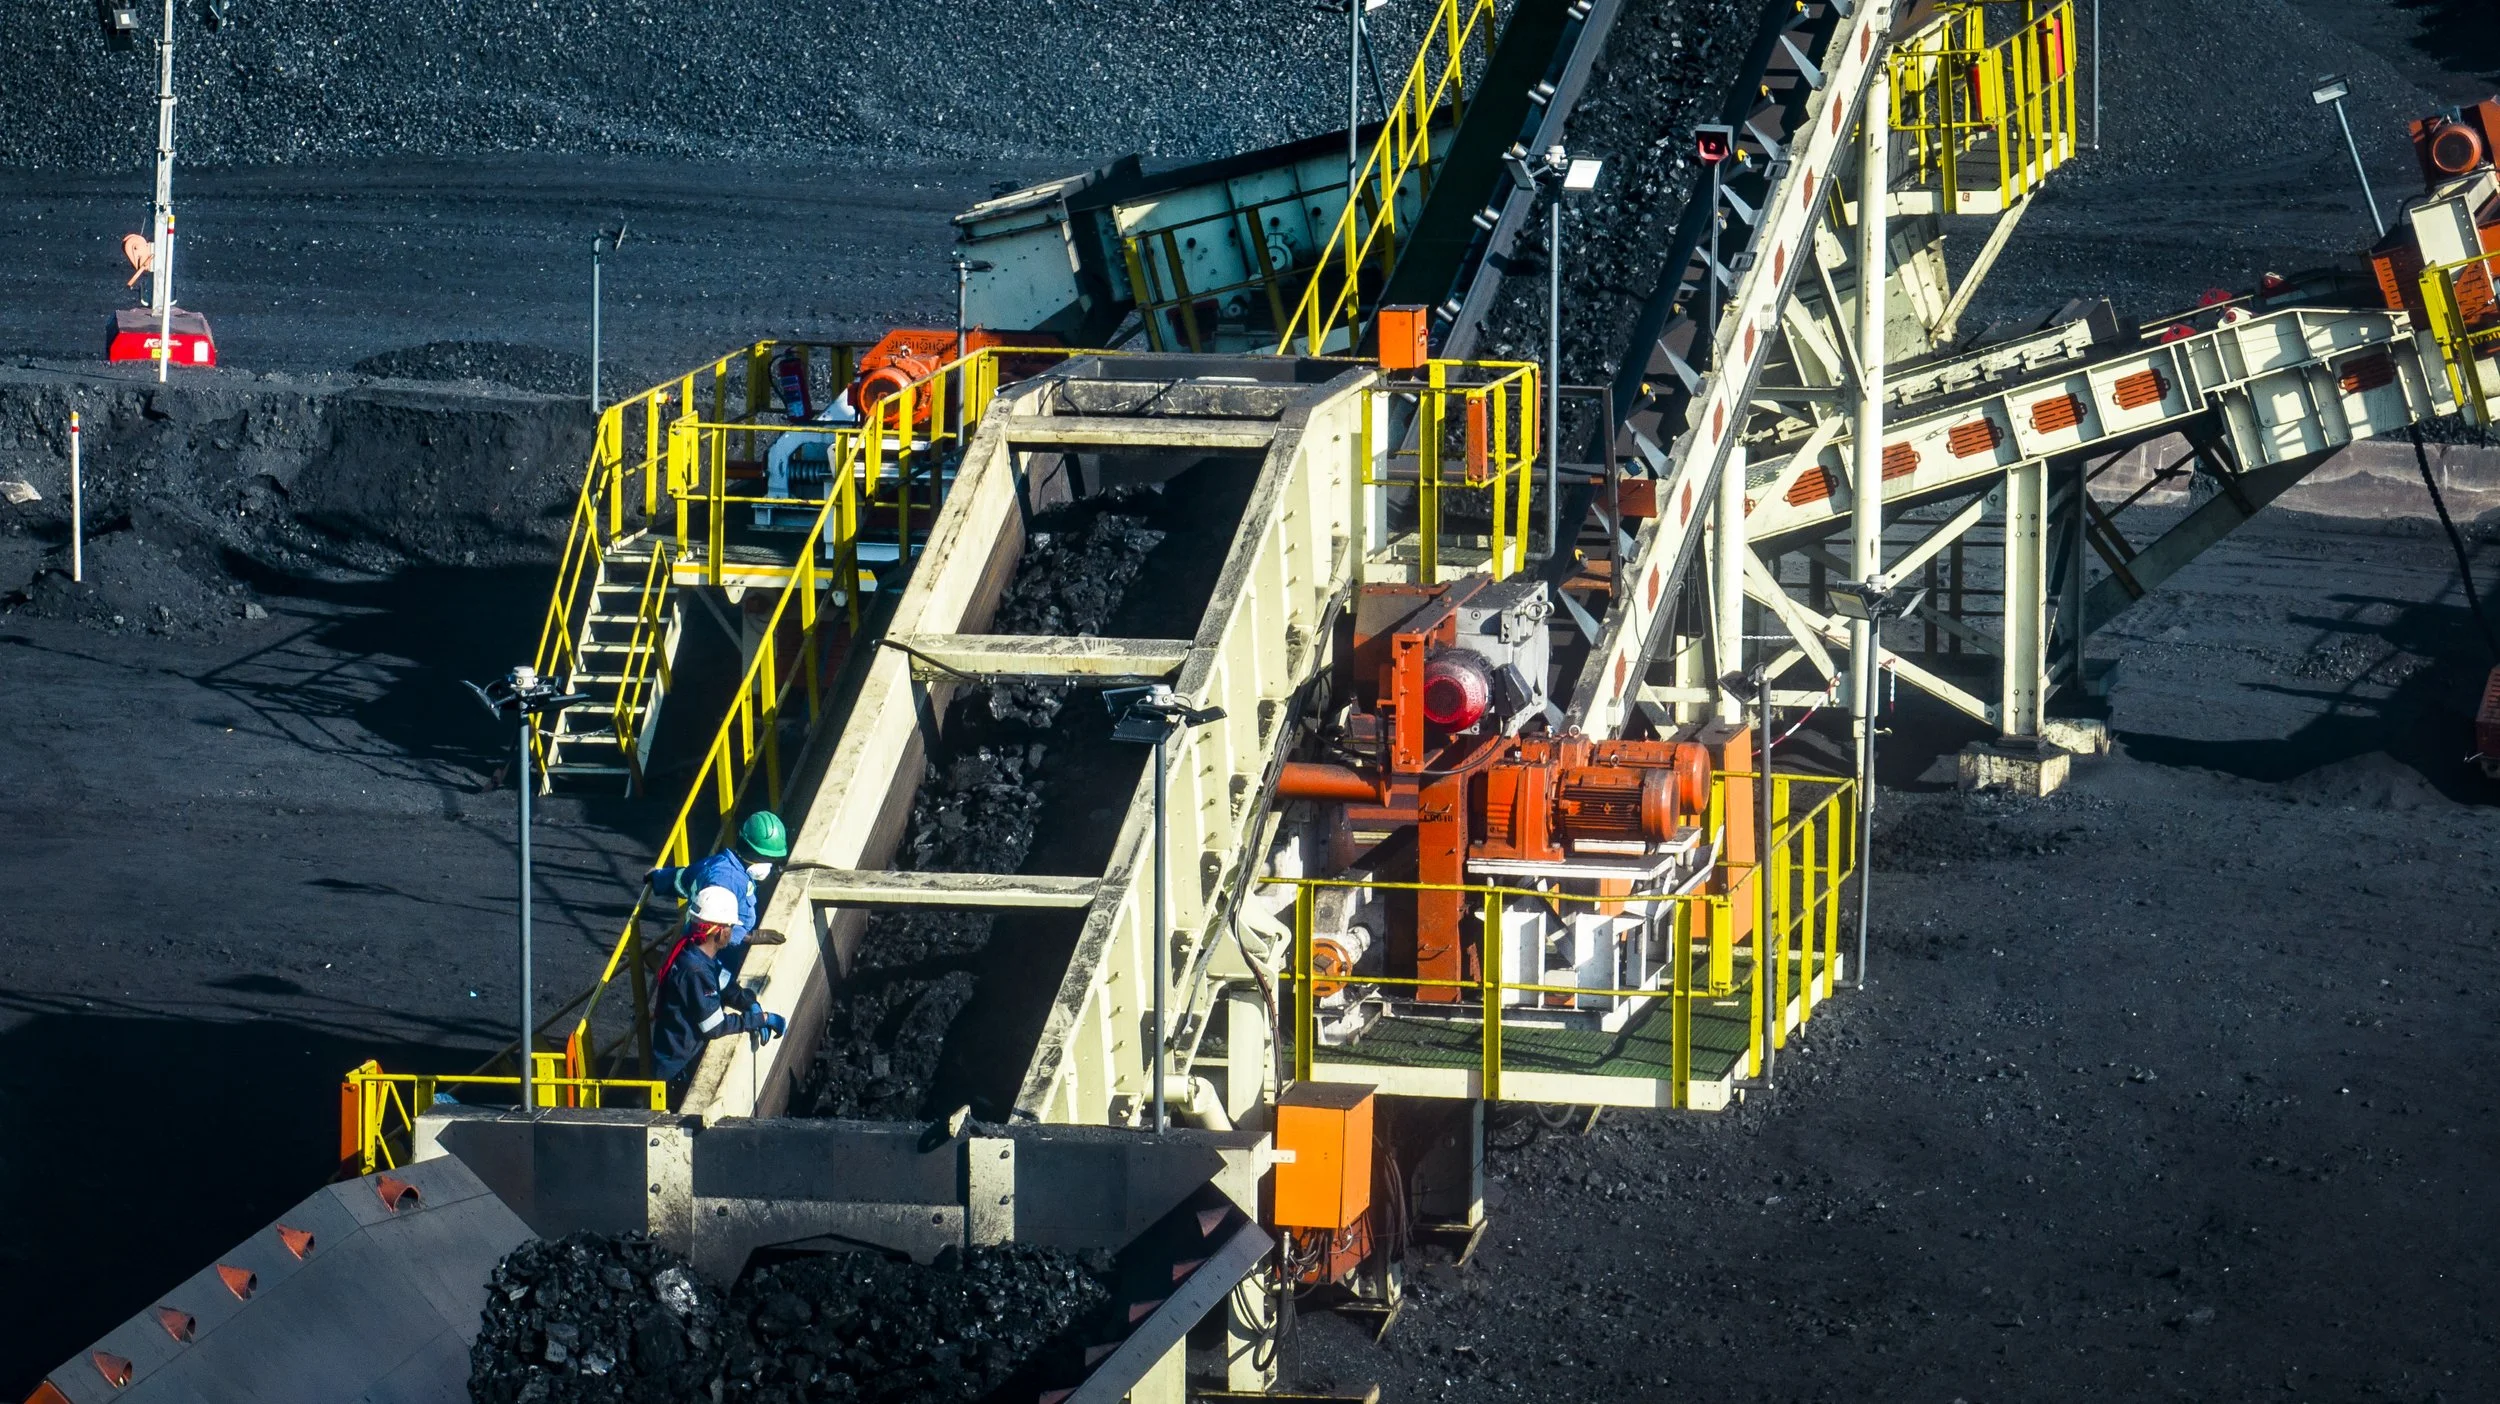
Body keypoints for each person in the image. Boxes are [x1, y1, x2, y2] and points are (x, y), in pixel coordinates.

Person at [650, 885, 785, 1104]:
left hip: (676, 1054)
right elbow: (714, 1027)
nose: (732, 932)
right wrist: (761, 1019)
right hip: (677, 1069)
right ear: (721, 931)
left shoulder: (694, 954)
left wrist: (748, 1002)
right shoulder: (695, 971)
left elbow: (724, 984)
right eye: (731, 927)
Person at [646, 811, 788, 974]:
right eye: (766, 859)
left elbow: (681, 878)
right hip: (716, 957)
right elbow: (714, 931)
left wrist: (657, 876)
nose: (769, 865)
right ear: (751, 852)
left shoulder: (718, 862)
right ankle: (665, 968)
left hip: (697, 950)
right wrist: (749, 936)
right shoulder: (725, 881)